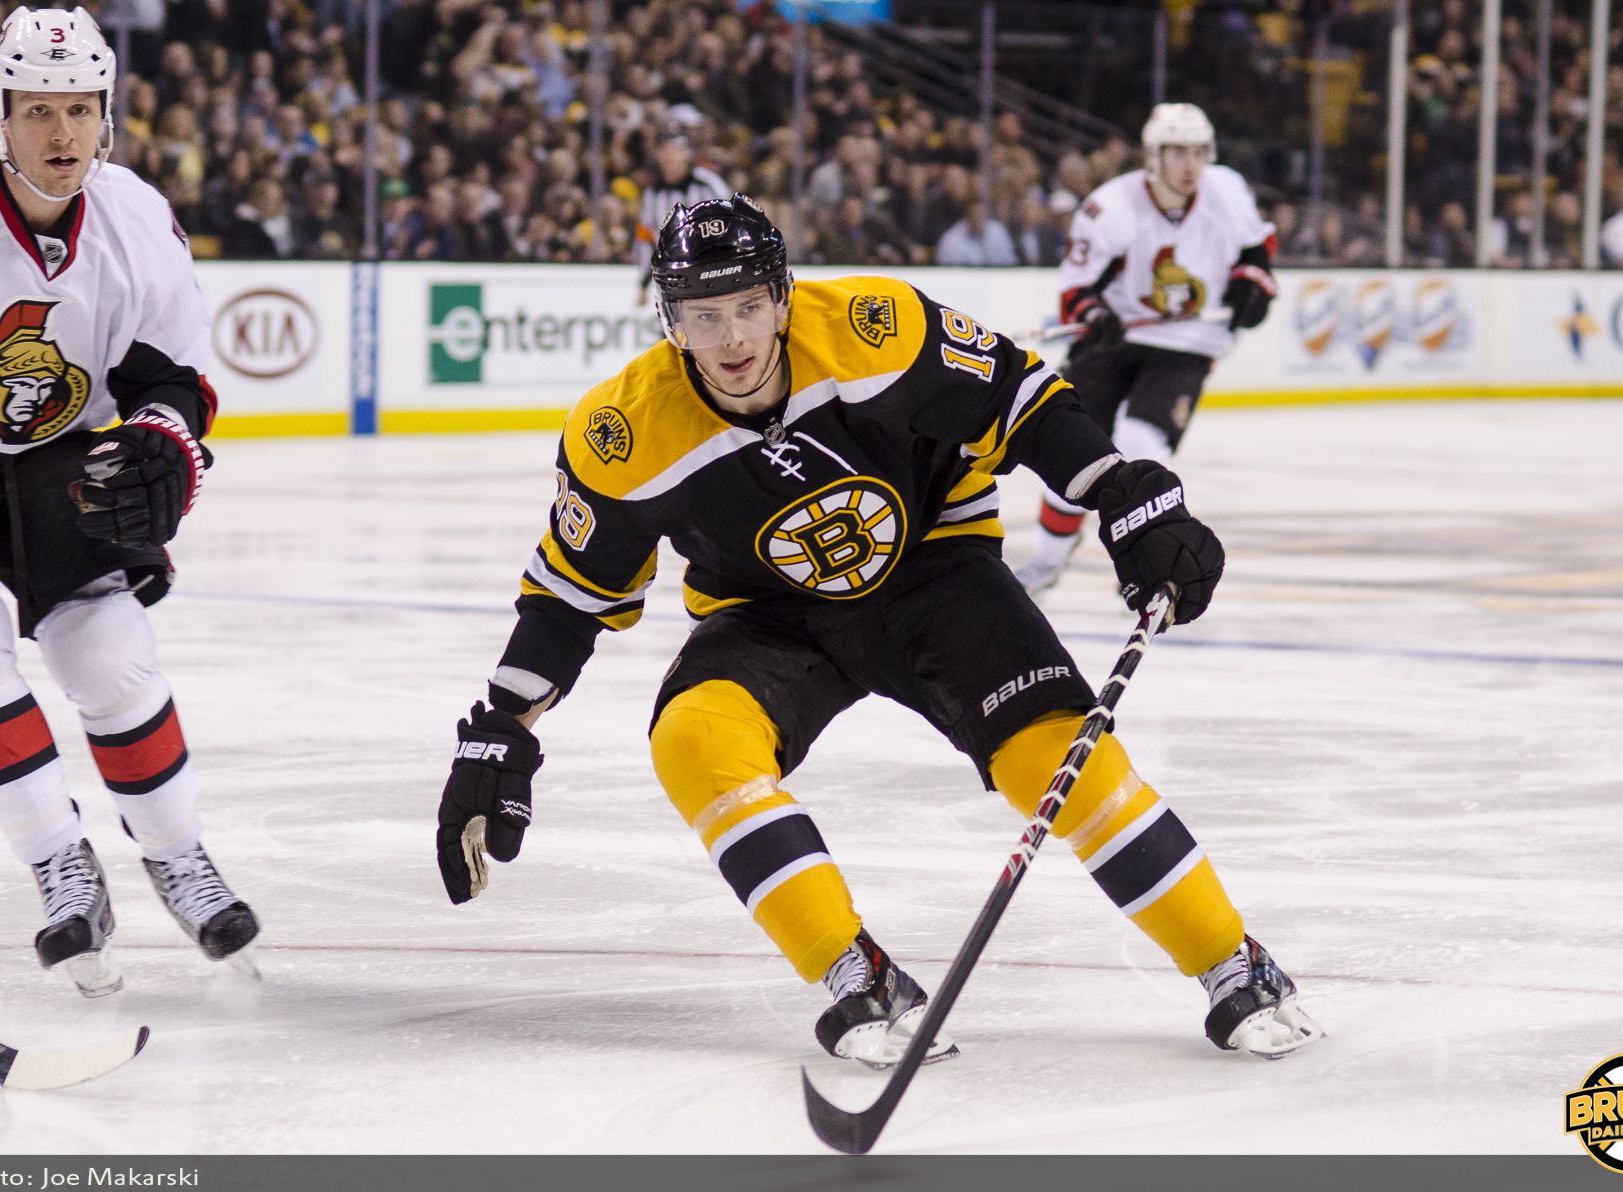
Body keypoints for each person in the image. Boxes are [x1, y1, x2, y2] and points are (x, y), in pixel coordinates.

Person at [434, 194, 1320, 1069]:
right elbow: (567, 598)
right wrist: (503, 727)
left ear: (783, 296)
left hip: (936, 570)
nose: (733, 339)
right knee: (693, 741)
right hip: (766, 614)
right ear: (670, 321)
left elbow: (1022, 399)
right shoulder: (623, 432)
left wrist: (1119, 491)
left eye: (748, 307)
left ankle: (1233, 962)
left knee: (1054, 760)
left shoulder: (876, 326)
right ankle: (857, 973)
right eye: (705, 317)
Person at [0, 7, 259, 997]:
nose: (62, 133)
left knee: (110, 659)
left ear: (107, 112)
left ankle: (178, 856)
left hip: (62, 457)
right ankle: (57, 864)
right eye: (39, 110)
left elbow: (172, 380)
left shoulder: (134, 216)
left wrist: (164, 438)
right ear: (0, 115)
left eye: (80, 108)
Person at [1015, 103, 1277, 595]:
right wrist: (1094, 315)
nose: (1190, 165)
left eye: (1198, 152)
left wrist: (1253, 284)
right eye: (1178, 152)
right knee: (1071, 451)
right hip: (1115, 342)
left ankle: (1148, 557)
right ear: (1154, 156)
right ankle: (1048, 561)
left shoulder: (1226, 190)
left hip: (1187, 343)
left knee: (1141, 445)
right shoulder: (1110, 207)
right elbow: (1076, 290)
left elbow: (1256, 251)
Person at [632, 127, 729, 305]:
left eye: (674, 150)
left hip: (714, 269)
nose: (668, 157)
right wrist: (644, 282)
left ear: (686, 154)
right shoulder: (653, 193)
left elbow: (731, 221)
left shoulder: (707, 184)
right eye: (663, 150)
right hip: (677, 277)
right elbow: (648, 238)